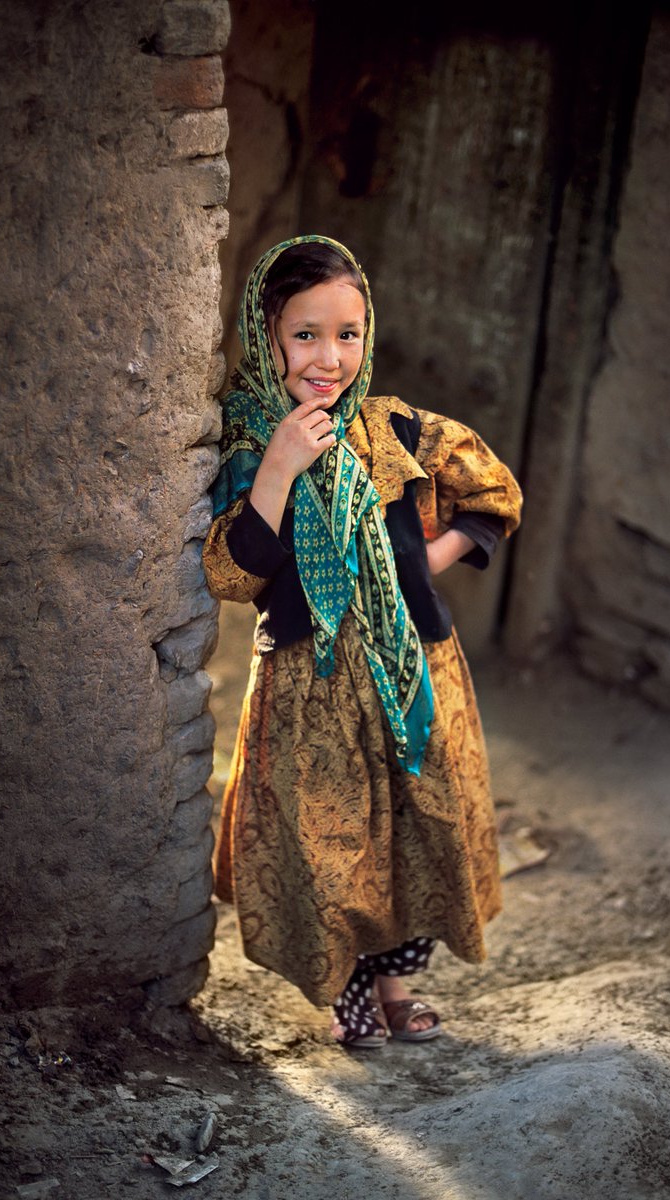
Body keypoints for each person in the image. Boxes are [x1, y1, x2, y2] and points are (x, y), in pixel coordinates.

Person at [202, 235, 522, 1048]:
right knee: (331, 845)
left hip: (414, 670)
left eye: (348, 334)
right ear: (266, 334)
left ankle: (396, 984)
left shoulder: (395, 429)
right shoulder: (246, 446)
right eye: (306, 334)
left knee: (418, 832)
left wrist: (429, 561)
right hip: (310, 685)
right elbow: (232, 575)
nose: (330, 358)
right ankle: (348, 989)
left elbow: (493, 490)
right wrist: (279, 467)